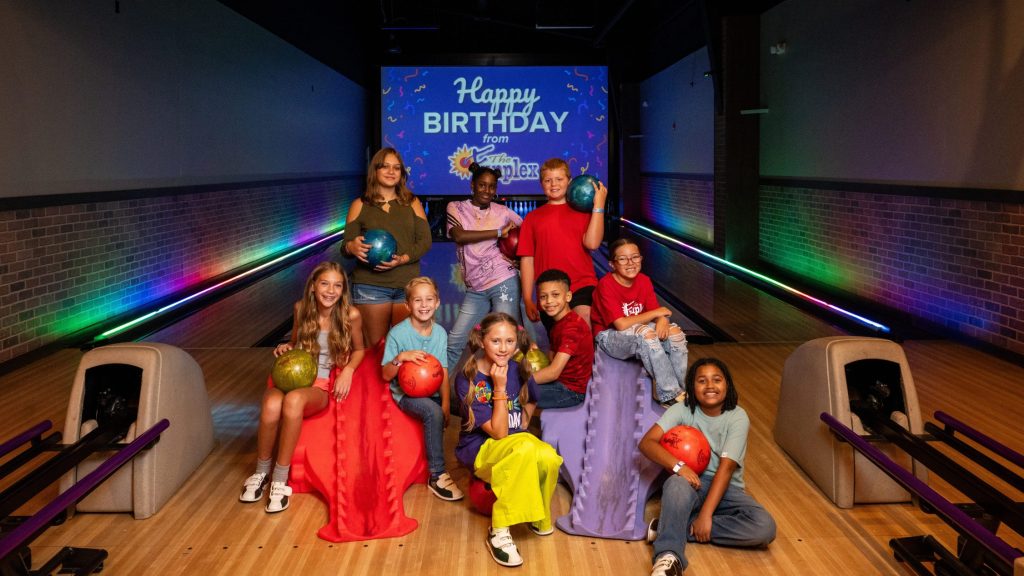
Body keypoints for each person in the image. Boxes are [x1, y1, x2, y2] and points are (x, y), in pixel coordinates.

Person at [240, 261, 365, 513]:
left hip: (319, 385)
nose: (330, 291)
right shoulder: (301, 309)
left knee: (294, 400)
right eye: (325, 283)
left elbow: (360, 350)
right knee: (272, 402)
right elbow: (296, 343)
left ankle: (280, 478)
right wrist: (286, 347)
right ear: (313, 286)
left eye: (337, 285)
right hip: (292, 376)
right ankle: (261, 472)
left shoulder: (351, 315)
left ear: (343, 290)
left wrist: (348, 371)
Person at [638, 358, 776, 576]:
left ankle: (672, 526)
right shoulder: (683, 410)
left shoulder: (738, 417)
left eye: (717, 380)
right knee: (675, 483)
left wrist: (706, 516)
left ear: (727, 385)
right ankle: (668, 556)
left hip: (726, 488)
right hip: (692, 483)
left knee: (765, 528)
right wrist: (678, 466)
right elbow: (647, 443)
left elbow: (726, 468)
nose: (710, 386)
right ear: (693, 388)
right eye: (702, 381)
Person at [455, 312, 562, 568]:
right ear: (482, 341)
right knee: (525, 446)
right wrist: (500, 387)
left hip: (515, 444)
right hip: (481, 450)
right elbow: (499, 434)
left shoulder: (518, 367)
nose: (504, 348)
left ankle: (538, 515)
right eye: (496, 341)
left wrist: (524, 421)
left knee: (548, 455)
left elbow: (533, 396)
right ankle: (499, 531)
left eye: (510, 341)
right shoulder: (468, 379)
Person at [381, 277, 463, 502]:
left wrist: (446, 403)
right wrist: (400, 358)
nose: (424, 305)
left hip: (434, 392)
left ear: (437, 303)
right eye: (418, 300)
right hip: (406, 396)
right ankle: (437, 475)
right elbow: (385, 375)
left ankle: (469, 458)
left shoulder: (440, 333)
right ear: (408, 305)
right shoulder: (398, 334)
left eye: (429, 299)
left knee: (465, 404)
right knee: (432, 412)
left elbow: (443, 371)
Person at [343, 147, 432, 347]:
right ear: (375, 170)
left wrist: (402, 259)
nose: (391, 172)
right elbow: (346, 246)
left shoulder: (412, 202)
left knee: (407, 349)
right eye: (385, 167)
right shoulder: (360, 204)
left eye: (397, 168)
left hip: (407, 284)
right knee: (375, 349)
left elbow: (425, 241)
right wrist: (352, 246)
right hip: (370, 286)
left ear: (401, 173)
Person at [445, 162, 523, 373]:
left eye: (492, 186)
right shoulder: (456, 207)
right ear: (472, 185)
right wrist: (498, 233)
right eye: (482, 185)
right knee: (455, 341)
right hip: (475, 288)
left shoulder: (503, 211)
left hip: (503, 280)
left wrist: (519, 259)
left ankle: (509, 391)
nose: (487, 191)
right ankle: (437, 391)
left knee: (506, 337)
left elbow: (527, 233)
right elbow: (459, 235)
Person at [591, 238, 687, 406]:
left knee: (675, 334)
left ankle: (680, 390)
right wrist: (657, 313)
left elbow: (656, 312)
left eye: (635, 257)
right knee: (646, 334)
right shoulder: (606, 284)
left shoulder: (644, 280)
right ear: (612, 264)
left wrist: (662, 319)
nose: (630, 263)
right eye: (622, 259)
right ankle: (669, 394)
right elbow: (620, 324)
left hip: (637, 330)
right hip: (609, 337)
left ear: (641, 259)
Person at [517, 157, 608, 330]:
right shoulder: (532, 218)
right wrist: (528, 298)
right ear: (541, 183)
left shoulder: (584, 213)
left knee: (583, 323)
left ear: (570, 181)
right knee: (562, 342)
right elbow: (527, 260)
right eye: (548, 180)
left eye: (559, 179)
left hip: (582, 283)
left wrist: (599, 205)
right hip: (549, 290)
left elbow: (593, 244)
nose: (554, 184)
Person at [529, 268, 594, 409]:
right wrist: (536, 353)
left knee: (513, 393)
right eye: (543, 297)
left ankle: (518, 428)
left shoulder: (572, 328)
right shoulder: (559, 323)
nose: (549, 301)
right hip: (559, 382)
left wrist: (519, 381)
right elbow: (552, 358)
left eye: (555, 295)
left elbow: (553, 372)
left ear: (568, 296)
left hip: (570, 391)